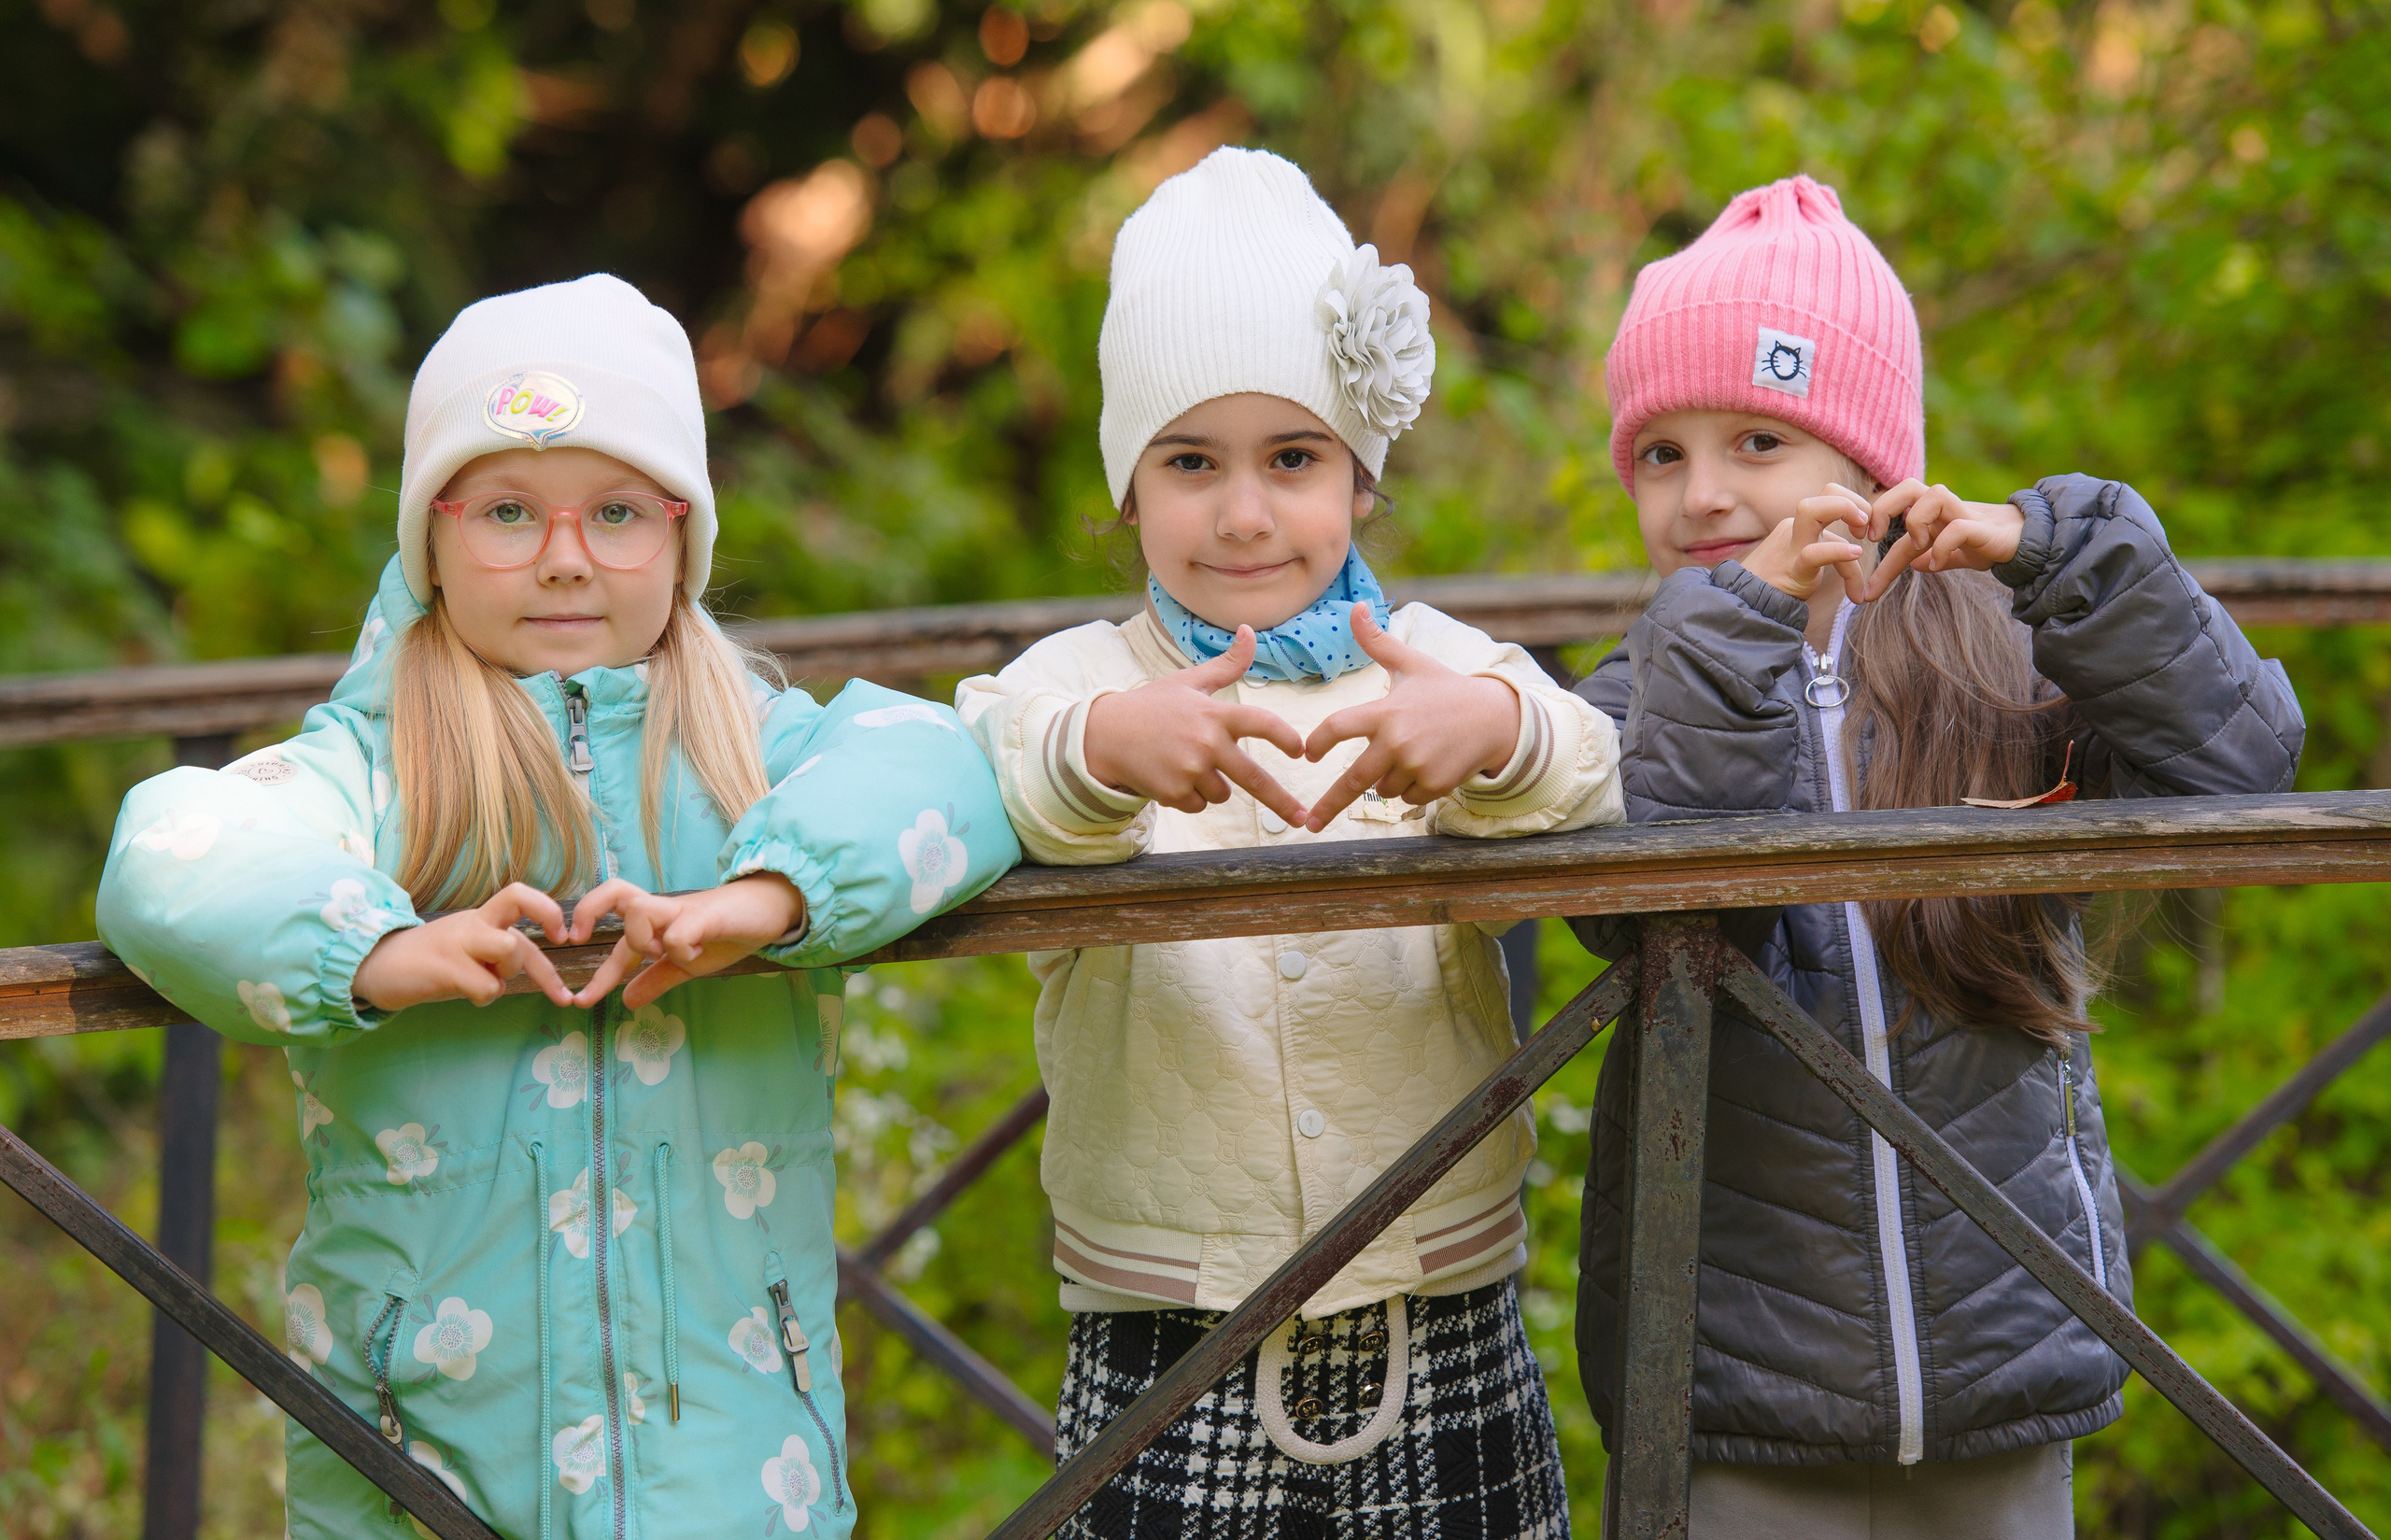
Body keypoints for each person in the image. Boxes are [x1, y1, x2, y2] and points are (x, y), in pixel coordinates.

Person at [94, 275, 1018, 1540]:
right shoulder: (376, 772)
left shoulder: (747, 752)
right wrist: (380, 949)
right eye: (511, 509)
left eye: (619, 510)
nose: (567, 555)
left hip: (732, 1456)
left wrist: (767, 893)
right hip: (416, 1455)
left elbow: (952, 764)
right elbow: (169, 849)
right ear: (433, 533)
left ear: (682, 536)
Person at [1571, 175, 2304, 1536]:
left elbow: (2245, 759)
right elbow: (1657, 912)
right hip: (1732, 1387)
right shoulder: (1641, 695)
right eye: (1659, 454)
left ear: (1868, 462)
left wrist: (2065, 554)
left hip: (2005, 1356)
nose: (1702, 492)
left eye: (1755, 439)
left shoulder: (2003, 660)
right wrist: (1732, 636)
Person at [957, 147, 1621, 1537]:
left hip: (1435, 1290)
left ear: (1363, 479)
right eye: (1191, 461)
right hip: (1169, 1312)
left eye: (1296, 458)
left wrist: (1494, 730)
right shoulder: (1079, 675)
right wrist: (1101, 755)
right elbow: (998, 775)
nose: (1245, 510)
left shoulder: (1430, 661)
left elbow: (1588, 776)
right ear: (1127, 486)